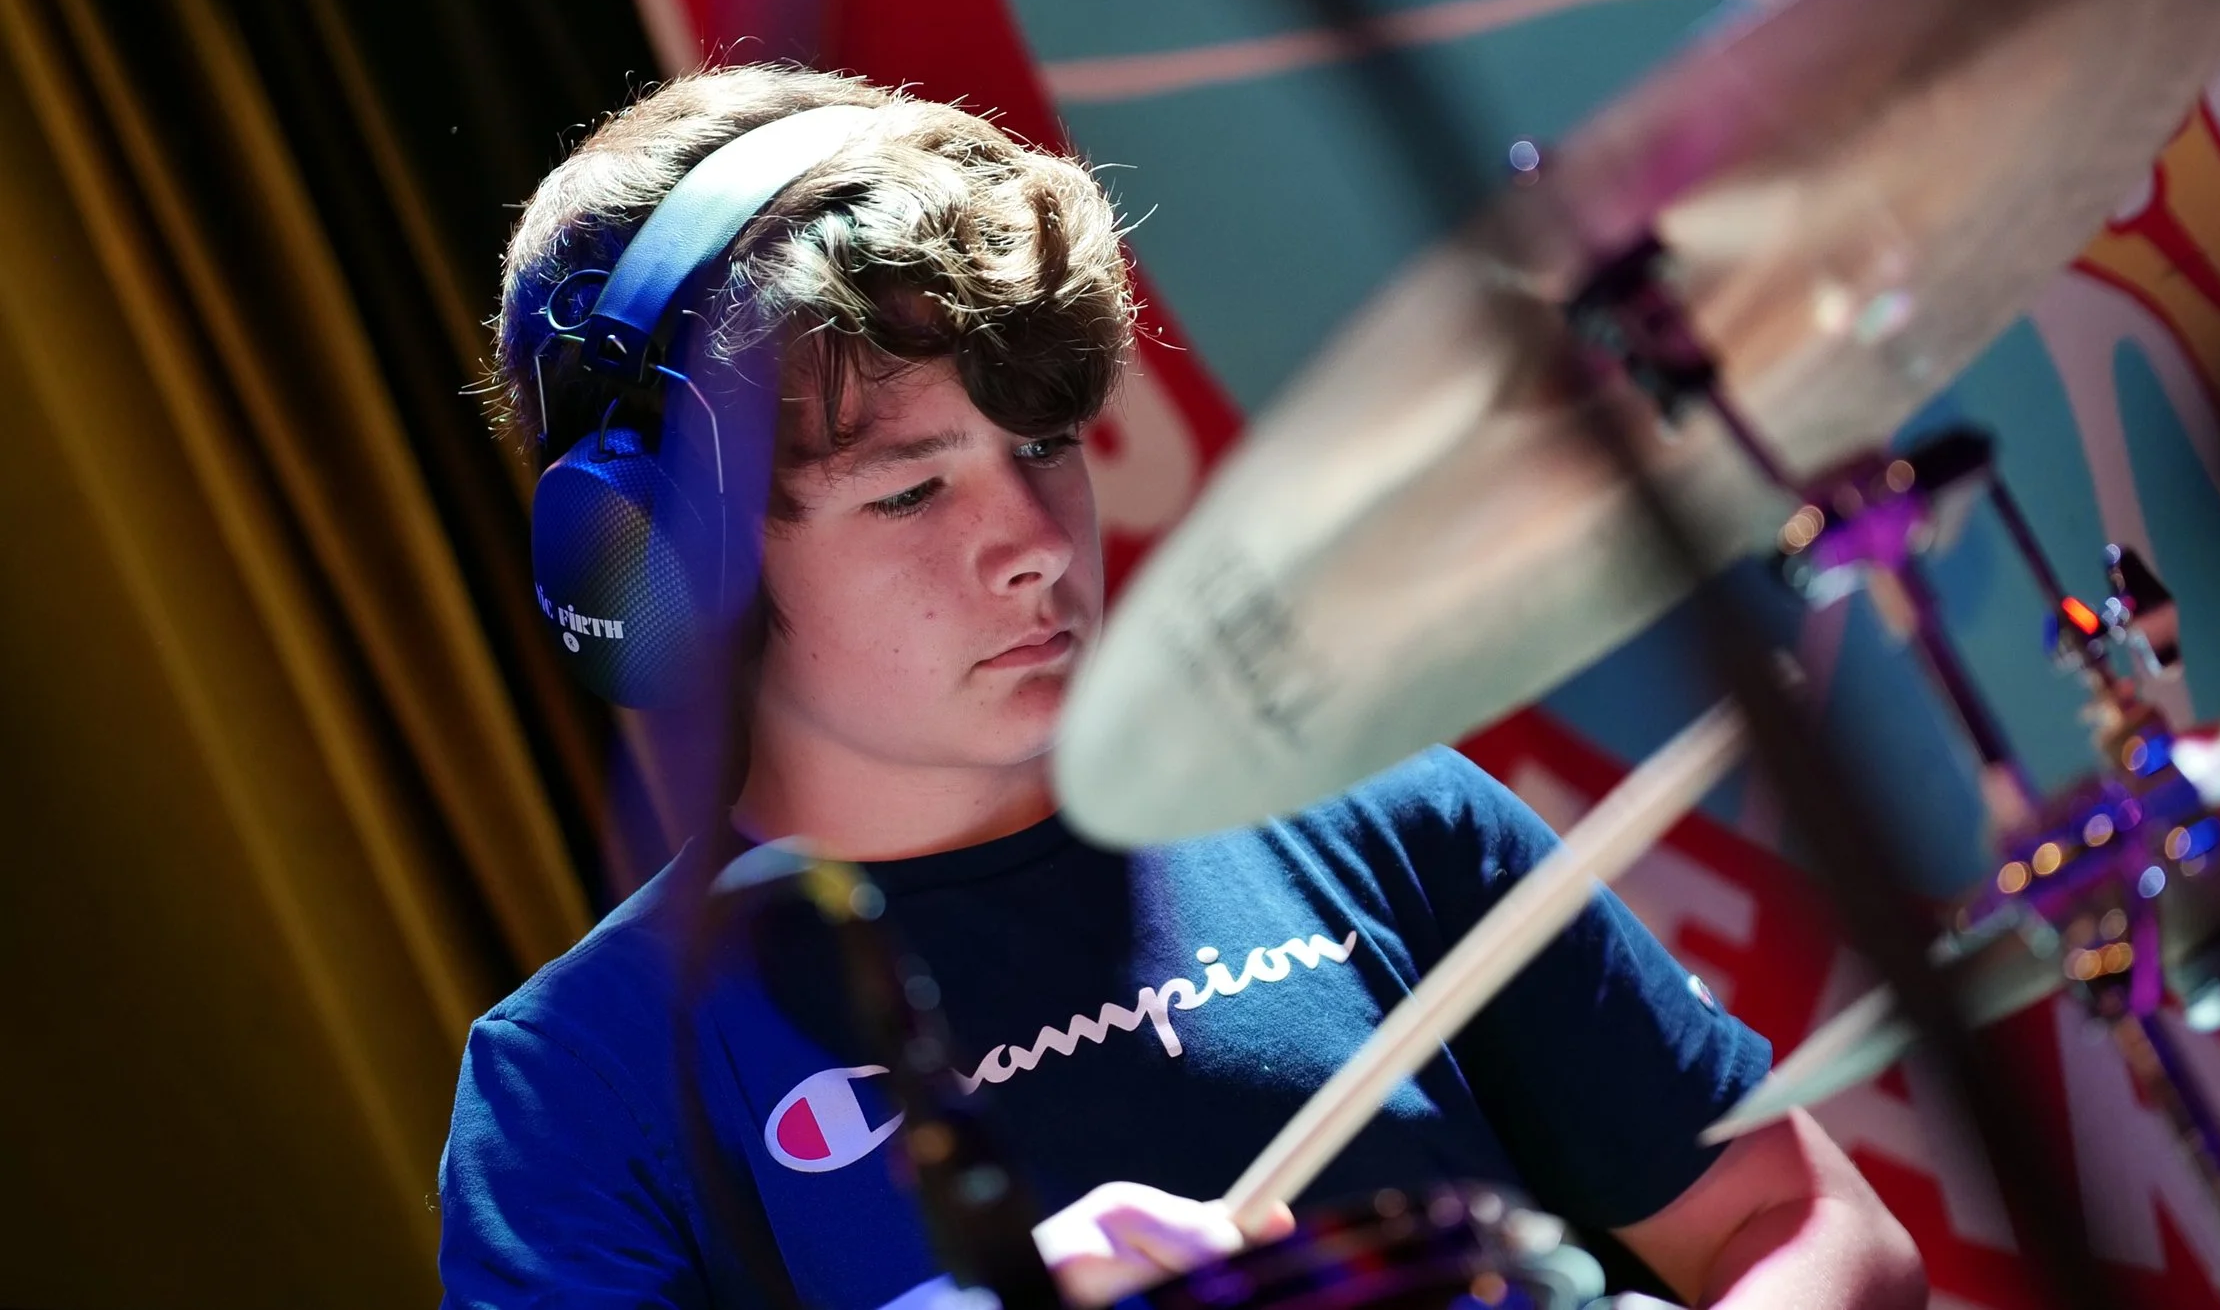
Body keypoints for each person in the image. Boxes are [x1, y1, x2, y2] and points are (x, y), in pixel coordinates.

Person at [437, 65, 1925, 1310]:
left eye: (1043, 448)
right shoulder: (582, 1082)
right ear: (668, 574)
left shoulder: (1368, 810)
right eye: (907, 493)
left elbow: (1808, 1228)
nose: (1031, 545)